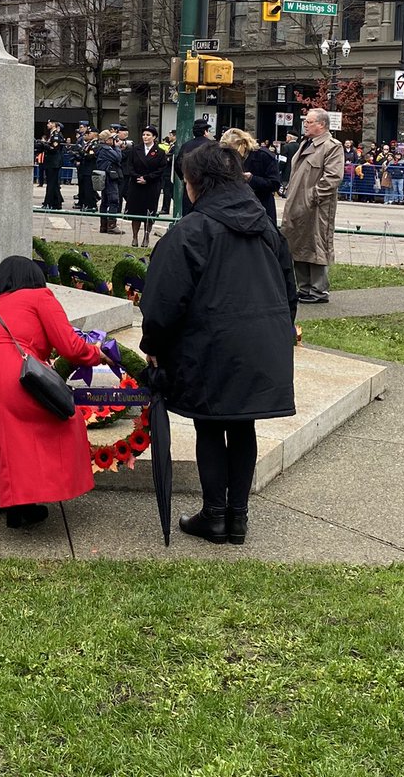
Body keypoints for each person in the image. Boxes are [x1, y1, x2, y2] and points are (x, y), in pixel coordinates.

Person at [139, 144, 296, 545]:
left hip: (209, 345)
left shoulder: (191, 232)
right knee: (242, 426)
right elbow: (289, 292)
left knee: (210, 424)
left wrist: (153, 342)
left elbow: (163, 301)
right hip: (259, 343)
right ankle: (237, 516)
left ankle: (215, 514)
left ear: (197, 184)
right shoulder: (266, 230)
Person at [0, 256, 106, 528]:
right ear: (34, 279)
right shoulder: (39, 296)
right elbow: (70, 346)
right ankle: (22, 506)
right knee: (64, 423)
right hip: (12, 380)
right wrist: (97, 354)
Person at [280, 108, 344, 304]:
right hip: (296, 204)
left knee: (316, 246)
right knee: (297, 244)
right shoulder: (304, 144)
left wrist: (313, 197)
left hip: (316, 206)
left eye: (309, 122)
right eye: (305, 121)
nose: (305, 125)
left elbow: (333, 177)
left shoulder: (332, 146)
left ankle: (318, 290)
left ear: (321, 124)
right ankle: (305, 288)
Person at [220, 127, 281, 226]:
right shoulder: (227, 158)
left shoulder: (264, 156)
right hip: (237, 208)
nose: (233, 155)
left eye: (234, 150)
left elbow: (275, 184)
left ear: (243, 144)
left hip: (261, 207)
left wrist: (252, 179)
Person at [122, 125, 167, 248]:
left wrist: (147, 178)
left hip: (151, 185)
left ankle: (146, 236)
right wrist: (137, 177)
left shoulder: (160, 152)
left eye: (148, 135)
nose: (145, 137)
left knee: (149, 212)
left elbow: (161, 169)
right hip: (136, 185)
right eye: (144, 135)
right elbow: (129, 166)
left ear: (154, 137)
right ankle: (135, 237)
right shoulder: (135, 150)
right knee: (135, 211)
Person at [174, 118, 214, 215]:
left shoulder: (186, 146)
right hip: (208, 186)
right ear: (205, 131)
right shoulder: (212, 146)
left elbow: (177, 164)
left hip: (190, 185)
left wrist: (184, 177)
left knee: (189, 215)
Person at [94, 129, 123, 234]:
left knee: (104, 202)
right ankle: (111, 226)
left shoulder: (100, 148)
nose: (113, 140)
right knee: (114, 201)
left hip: (104, 177)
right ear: (106, 140)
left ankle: (103, 226)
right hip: (109, 177)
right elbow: (118, 158)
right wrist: (117, 147)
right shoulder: (106, 149)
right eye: (111, 138)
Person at [41, 120, 64, 210]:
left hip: (53, 162)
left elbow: (54, 148)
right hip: (50, 162)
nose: (48, 125)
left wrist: (44, 144)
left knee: (51, 183)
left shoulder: (56, 135)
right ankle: (56, 202)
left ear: (54, 124)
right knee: (53, 183)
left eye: (49, 123)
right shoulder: (51, 135)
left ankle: (48, 202)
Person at [160, 129, 177, 215]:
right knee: (169, 191)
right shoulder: (171, 145)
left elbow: (171, 158)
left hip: (170, 172)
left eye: (171, 135)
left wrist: (166, 157)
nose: (169, 137)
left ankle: (165, 208)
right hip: (167, 171)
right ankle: (165, 207)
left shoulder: (176, 146)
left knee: (168, 191)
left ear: (174, 136)